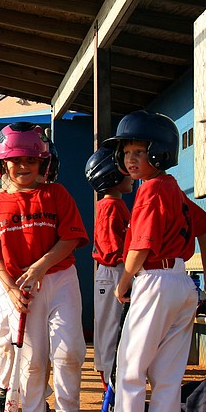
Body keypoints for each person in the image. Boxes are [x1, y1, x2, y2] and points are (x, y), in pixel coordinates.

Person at [93, 111, 206, 412]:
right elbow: (205, 227)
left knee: (129, 371)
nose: (130, 159)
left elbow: (141, 245)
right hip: (181, 285)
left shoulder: (149, 190)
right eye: (127, 152)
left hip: (154, 281)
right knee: (167, 376)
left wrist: (123, 282)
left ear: (158, 153)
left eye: (139, 151)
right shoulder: (174, 188)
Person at [0, 123, 89, 412]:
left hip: (59, 279)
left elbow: (70, 238)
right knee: (32, 360)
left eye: (31, 160)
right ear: (2, 165)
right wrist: (9, 287)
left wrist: (40, 265)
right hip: (19, 288)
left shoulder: (57, 194)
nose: (23, 166)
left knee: (69, 352)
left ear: (44, 163)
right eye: (15, 160)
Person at [85, 147, 133, 385]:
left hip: (115, 272)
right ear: (112, 176)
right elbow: (113, 248)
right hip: (113, 271)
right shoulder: (111, 205)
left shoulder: (114, 204)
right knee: (111, 329)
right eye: (125, 170)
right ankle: (109, 384)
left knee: (115, 327)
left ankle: (112, 381)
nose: (131, 175)